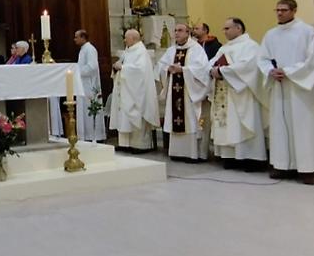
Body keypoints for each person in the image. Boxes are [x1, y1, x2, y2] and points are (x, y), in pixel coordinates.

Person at [258, 0, 314, 184]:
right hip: (280, 87)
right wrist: (270, 71)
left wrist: (289, 72)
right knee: (280, 125)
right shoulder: (270, 35)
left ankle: (307, 168)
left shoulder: (307, 32)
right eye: (277, 10)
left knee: (304, 127)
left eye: (283, 10)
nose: (279, 13)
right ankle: (282, 165)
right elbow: (262, 58)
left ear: (294, 10)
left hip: (302, 89)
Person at [209, 18, 268, 169]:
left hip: (242, 94)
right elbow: (212, 63)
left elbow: (248, 67)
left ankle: (250, 158)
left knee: (242, 124)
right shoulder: (224, 48)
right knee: (227, 125)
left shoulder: (251, 46)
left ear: (239, 28)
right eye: (224, 29)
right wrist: (211, 70)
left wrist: (222, 71)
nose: (225, 31)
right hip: (224, 92)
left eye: (227, 28)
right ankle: (230, 157)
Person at [157, 23, 211, 162]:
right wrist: (167, 69)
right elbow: (161, 67)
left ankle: (192, 154)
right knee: (177, 119)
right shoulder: (171, 50)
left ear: (188, 33)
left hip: (189, 93)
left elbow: (202, 70)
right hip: (174, 90)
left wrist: (183, 70)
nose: (177, 33)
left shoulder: (196, 49)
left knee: (190, 119)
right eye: (175, 31)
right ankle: (177, 152)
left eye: (180, 30)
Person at [109, 29, 158, 153]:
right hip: (126, 89)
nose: (124, 40)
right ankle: (125, 144)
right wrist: (117, 67)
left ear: (134, 39)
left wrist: (123, 68)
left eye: (126, 38)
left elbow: (140, 71)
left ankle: (140, 145)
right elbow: (123, 64)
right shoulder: (128, 50)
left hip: (136, 92)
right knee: (124, 116)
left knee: (136, 115)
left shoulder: (141, 52)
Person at [76, 29, 105, 141]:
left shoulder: (90, 49)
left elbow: (92, 66)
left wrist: (78, 72)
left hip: (89, 84)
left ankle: (93, 135)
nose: (75, 39)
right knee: (84, 108)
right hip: (83, 84)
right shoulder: (83, 50)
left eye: (77, 37)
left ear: (83, 37)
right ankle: (86, 134)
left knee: (89, 108)